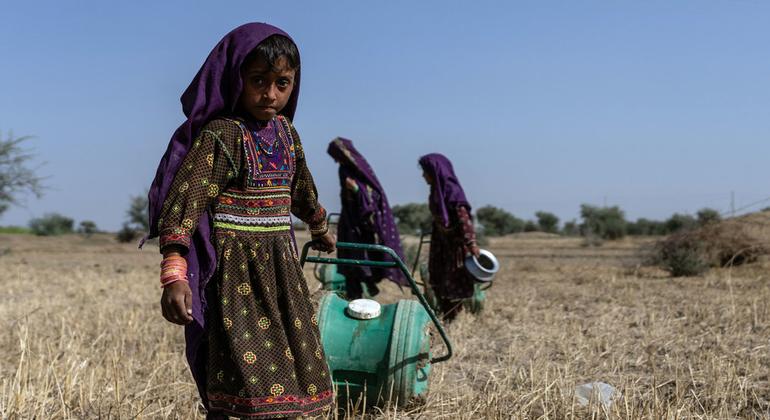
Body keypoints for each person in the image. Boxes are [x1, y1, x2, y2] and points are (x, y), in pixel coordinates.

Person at [145, 23, 335, 419]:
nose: (270, 94)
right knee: (247, 381)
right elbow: (185, 204)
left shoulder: (287, 134)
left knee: (298, 375)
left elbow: (302, 189)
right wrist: (174, 272)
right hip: (237, 279)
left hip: (282, 272)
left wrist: (319, 228)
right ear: (237, 79)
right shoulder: (221, 135)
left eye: (282, 83)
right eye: (258, 81)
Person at [327, 138, 407, 299]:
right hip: (348, 223)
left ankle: (367, 284)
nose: (335, 161)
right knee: (348, 261)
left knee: (360, 259)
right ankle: (354, 296)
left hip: (362, 226)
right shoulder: (343, 169)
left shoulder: (360, 170)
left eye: (336, 156)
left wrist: (356, 189)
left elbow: (373, 195)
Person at [418, 153, 480, 321]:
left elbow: (463, 219)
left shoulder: (452, 192)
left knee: (453, 282)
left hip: (454, 246)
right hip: (440, 244)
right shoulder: (435, 192)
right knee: (438, 280)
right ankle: (445, 317)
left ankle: (452, 318)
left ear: (435, 171)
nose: (423, 176)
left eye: (425, 171)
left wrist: (471, 242)